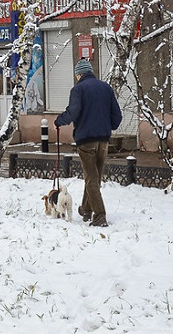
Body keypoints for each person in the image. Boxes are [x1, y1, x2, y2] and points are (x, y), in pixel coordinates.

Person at [54, 58, 122, 227]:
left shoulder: (78, 89)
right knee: (95, 177)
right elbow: (117, 116)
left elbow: (73, 112)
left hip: (86, 140)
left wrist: (59, 121)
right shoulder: (106, 88)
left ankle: (99, 216)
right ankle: (86, 209)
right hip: (104, 139)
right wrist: (109, 126)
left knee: (91, 178)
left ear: (79, 74)